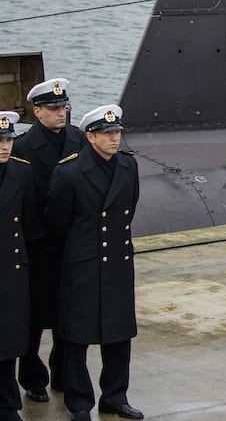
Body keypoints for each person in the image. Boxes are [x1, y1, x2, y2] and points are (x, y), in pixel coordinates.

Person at [44, 105, 143, 420]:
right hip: (83, 264)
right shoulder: (69, 171)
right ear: (90, 136)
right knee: (77, 337)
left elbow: (129, 208)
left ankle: (115, 396)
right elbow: (56, 223)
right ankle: (80, 403)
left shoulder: (128, 167)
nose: (115, 139)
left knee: (118, 334)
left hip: (116, 261)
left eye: (117, 133)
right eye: (107, 134)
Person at [12, 78, 81, 404]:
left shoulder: (79, 139)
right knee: (35, 317)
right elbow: (20, 198)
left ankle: (62, 373)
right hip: (40, 244)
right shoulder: (23, 147)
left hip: (71, 242)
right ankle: (32, 377)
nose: (60, 113)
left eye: (63, 107)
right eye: (53, 108)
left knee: (68, 315)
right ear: (37, 111)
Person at [0, 111, 40, 421]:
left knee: (10, 337)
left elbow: (28, 222)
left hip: (12, 267)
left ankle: (7, 402)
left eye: (9, 139)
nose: (5, 146)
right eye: (0, 140)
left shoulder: (21, 173)